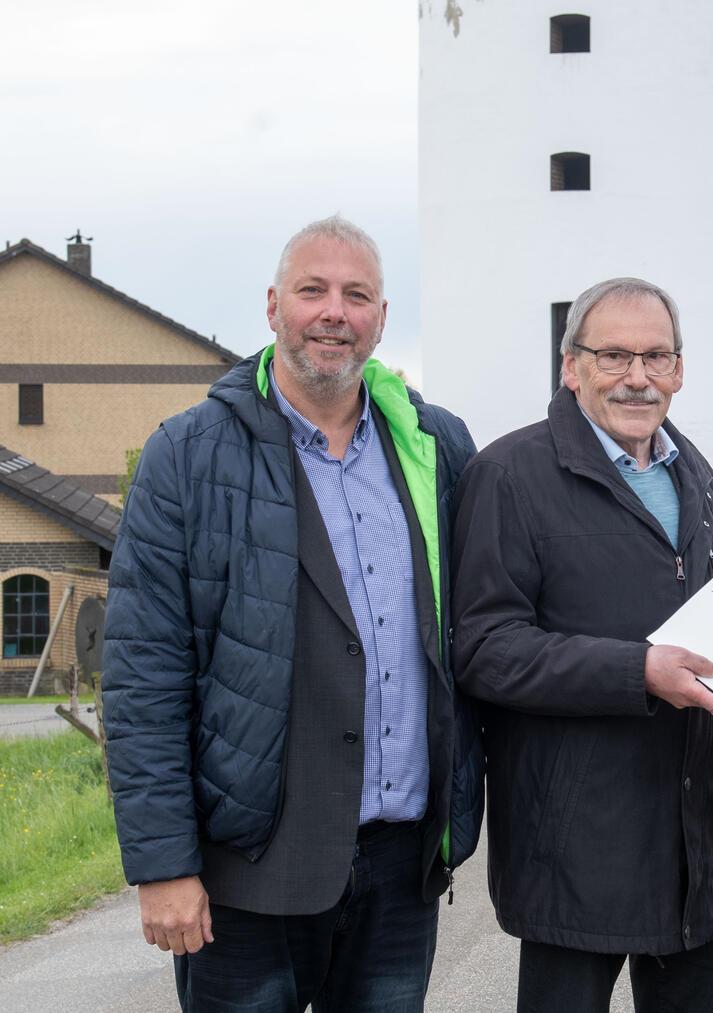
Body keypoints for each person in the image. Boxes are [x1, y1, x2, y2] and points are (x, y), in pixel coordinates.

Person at [102, 215, 483, 1012]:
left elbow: (477, 633)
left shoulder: (435, 444)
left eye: (357, 295)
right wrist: (163, 864)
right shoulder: (188, 454)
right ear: (274, 305)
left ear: (382, 316)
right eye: (313, 290)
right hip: (248, 865)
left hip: (398, 861)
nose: (333, 312)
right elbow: (144, 673)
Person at [450, 277, 713, 1013]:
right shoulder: (509, 476)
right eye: (613, 355)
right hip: (576, 844)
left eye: (656, 356)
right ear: (570, 365)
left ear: (678, 369)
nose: (637, 376)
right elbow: (483, 646)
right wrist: (636, 670)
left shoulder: (695, 476)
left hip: (695, 834)